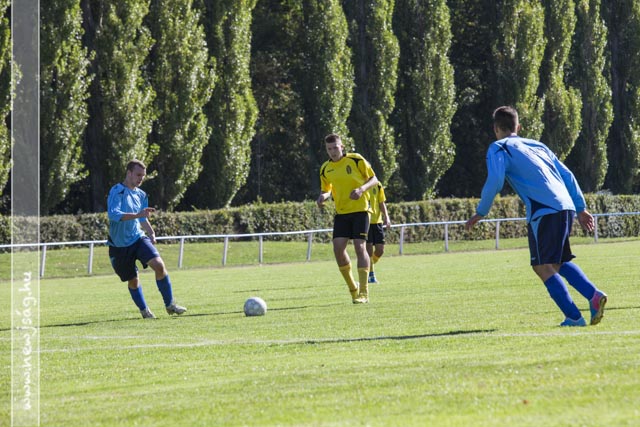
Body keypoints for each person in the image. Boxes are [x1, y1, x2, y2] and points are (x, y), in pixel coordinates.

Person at [465, 106, 607, 327]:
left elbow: (495, 180)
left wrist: (481, 212)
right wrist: (580, 207)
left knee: (541, 266)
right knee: (558, 261)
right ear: (518, 127)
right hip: (565, 206)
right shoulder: (537, 145)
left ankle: (574, 316)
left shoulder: (499, 147)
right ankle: (594, 296)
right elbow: (567, 175)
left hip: (544, 210)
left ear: (495, 129)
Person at [107, 159, 187, 319]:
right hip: (119, 246)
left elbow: (142, 219)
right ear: (129, 173)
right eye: (138, 175)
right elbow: (114, 215)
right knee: (133, 281)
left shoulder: (141, 195)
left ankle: (170, 305)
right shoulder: (117, 191)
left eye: (143, 176)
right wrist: (138, 215)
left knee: (159, 265)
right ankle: (144, 311)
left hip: (138, 238)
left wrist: (151, 233)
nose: (141, 179)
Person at [317, 133, 379, 303]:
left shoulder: (356, 159)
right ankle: (353, 289)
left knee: (360, 247)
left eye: (335, 147)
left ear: (342, 146)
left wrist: (361, 189)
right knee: (338, 249)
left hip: (361, 210)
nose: (333, 151)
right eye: (329, 149)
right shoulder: (325, 168)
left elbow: (374, 179)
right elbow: (327, 189)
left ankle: (364, 293)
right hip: (342, 213)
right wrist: (323, 197)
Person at [366, 183, 391, 284]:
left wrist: (387, 217)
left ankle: (366, 266)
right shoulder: (359, 182)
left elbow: (381, 202)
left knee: (380, 250)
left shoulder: (378, 185)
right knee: (368, 250)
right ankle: (371, 274)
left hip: (377, 222)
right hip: (365, 222)